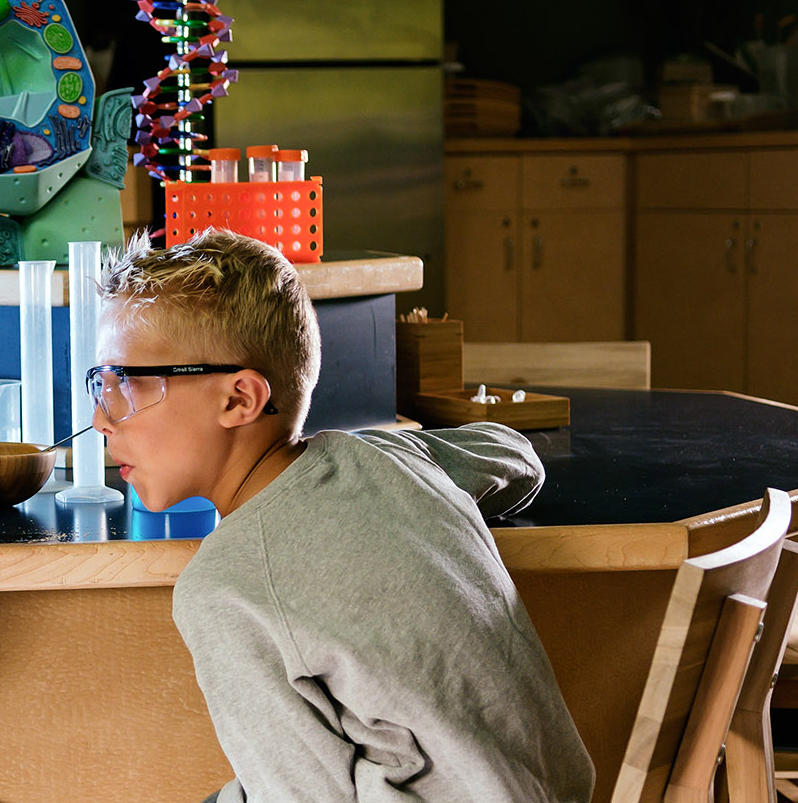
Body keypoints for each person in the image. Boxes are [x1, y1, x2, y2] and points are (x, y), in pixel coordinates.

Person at [92, 229, 595, 802]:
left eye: (126, 384)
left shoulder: (225, 589)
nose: (102, 419)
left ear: (239, 399)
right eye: (99, 384)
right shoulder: (390, 458)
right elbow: (516, 455)